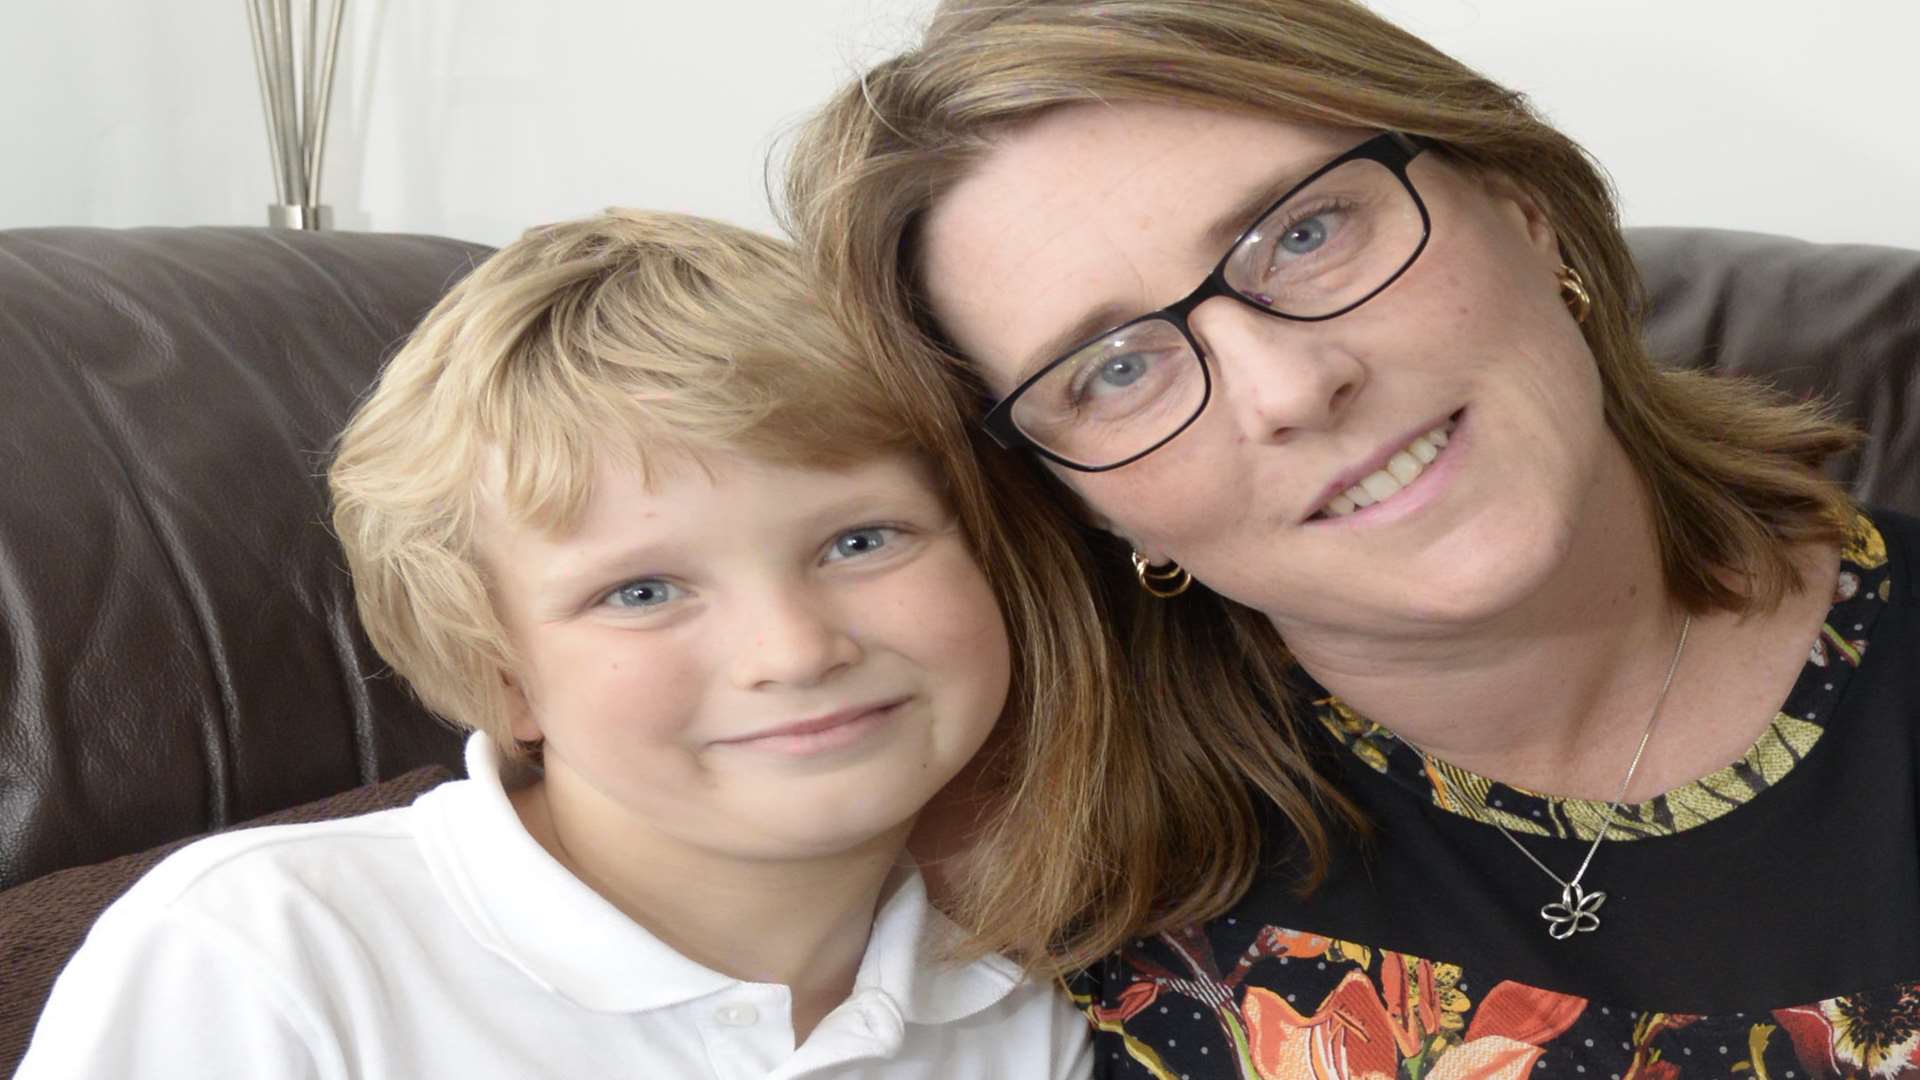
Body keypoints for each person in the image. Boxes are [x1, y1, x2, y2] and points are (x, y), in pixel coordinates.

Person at [780, 2, 1920, 1077]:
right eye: (1115, 370)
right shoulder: (1020, 899)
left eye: (1306, 232)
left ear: (1521, 203)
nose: (1289, 388)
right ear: (1079, 499)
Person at [16, 210, 1094, 1079]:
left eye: (860, 540)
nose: (795, 649)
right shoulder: (263, 955)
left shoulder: (1034, 1004)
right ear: (501, 674)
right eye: (642, 590)